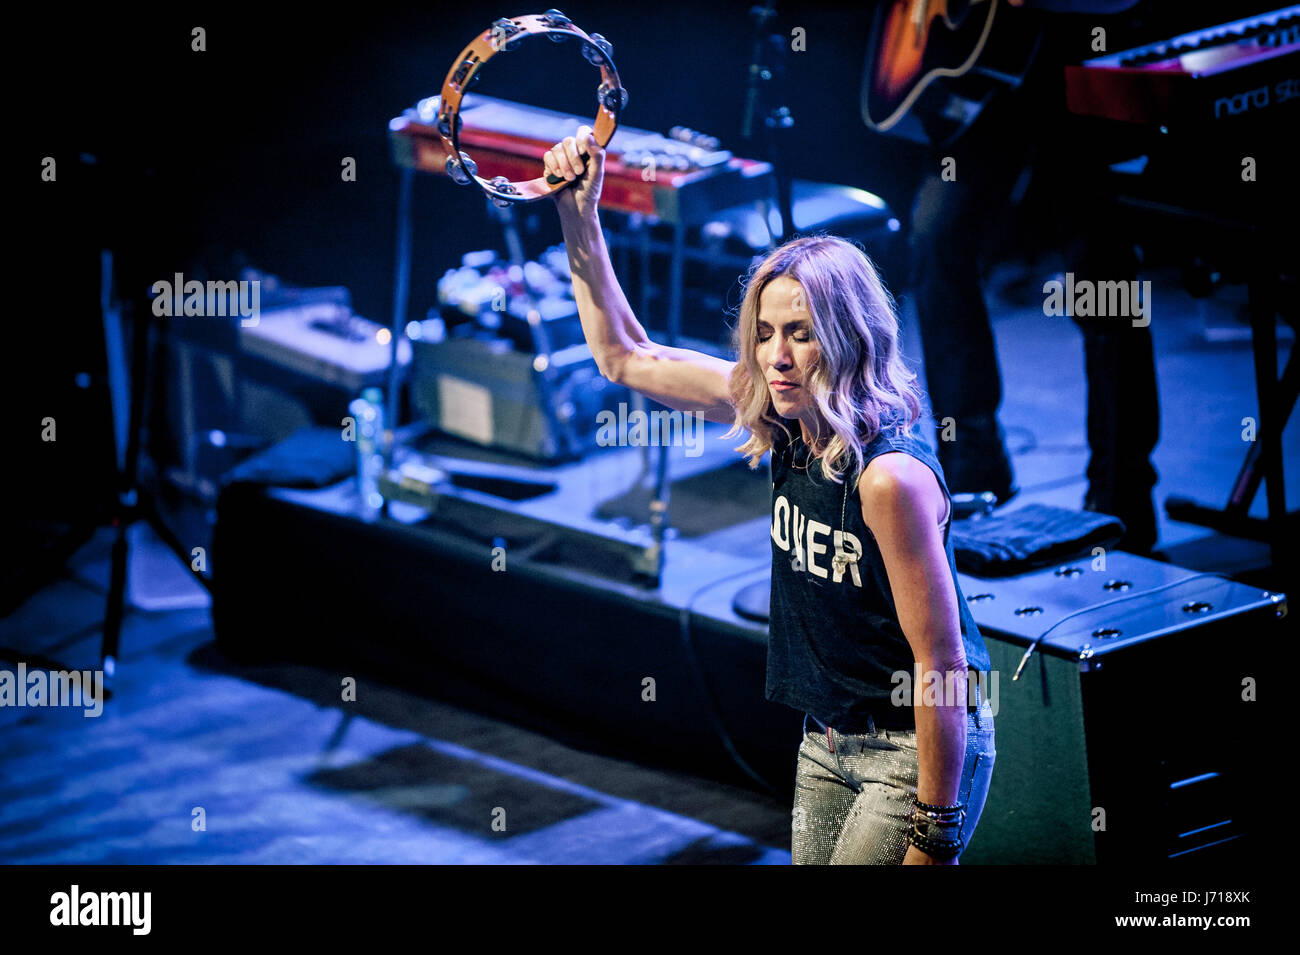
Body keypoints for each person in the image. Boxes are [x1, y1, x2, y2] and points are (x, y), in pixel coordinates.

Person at [544, 126, 996, 864]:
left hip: (907, 755)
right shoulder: (779, 412)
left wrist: (934, 832)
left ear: (849, 337)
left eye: (801, 335)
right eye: (764, 334)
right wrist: (579, 214)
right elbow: (625, 356)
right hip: (825, 741)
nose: (777, 357)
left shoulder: (888, 478)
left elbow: (942, 667)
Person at [905, 0, 1159, 551]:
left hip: (1078, 75)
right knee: (933, 241)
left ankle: (1123, 496)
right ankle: (973, 480)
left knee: (1103, 283)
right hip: (989, 88)